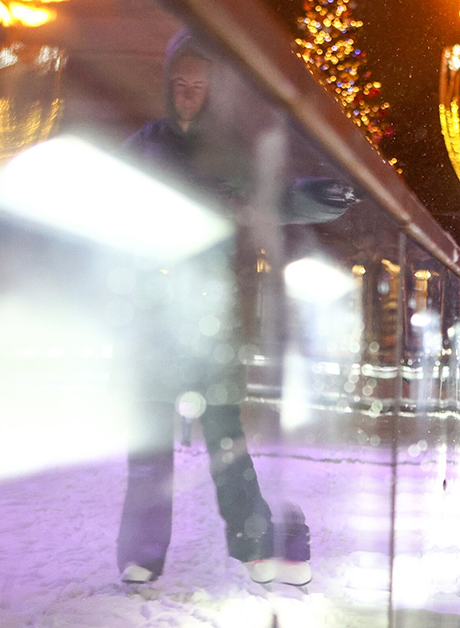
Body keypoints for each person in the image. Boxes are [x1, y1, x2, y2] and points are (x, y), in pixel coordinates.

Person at [116, 30, 352, 587]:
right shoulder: (145, 145)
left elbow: (270, 197)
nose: (187, 94)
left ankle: (256, 543)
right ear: (168, 84)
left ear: (212, 90)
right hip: (155, 315)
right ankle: (143, 554)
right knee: (149, 441)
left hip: (211, 315)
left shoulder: (227, 152)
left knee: (224, 437)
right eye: (180, 83)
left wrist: (315, 198)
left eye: (198, 85)